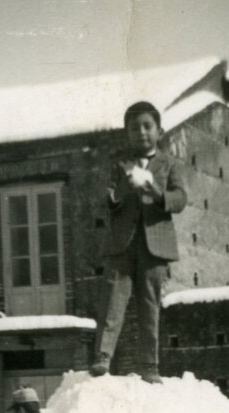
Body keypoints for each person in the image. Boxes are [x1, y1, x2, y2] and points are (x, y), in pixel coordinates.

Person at [90, 100, 187, 383]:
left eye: (147, 126)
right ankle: (102, 359)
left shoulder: (170, 164)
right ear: (127, 133)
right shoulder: (119, 164)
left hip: (155, 246)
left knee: (150, 304)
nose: (141, 132)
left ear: (159, 130)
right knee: (112, 300)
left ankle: (150, 367)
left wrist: (158, 194)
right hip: (121, 243)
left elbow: (180, 199)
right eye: (134, 128)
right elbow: (105, 200)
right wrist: (122, 189)